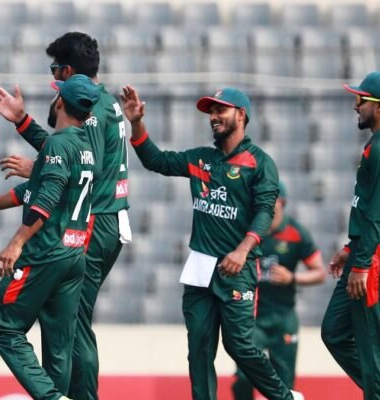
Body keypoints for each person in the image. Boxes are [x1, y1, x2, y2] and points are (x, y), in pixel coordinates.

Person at [121, 85, 303, 400]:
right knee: (199, 350)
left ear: (241, 115)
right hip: (200, 268)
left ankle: (285, 397)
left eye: (221, 110)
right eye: (211, 112)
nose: (214, 117)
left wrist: (242, 250)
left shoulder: (260, 162)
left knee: (240, 346)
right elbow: (156, 161)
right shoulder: (201, 159)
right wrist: (136, 123)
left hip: (237, 269)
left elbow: (265, 212)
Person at [0, 32, 131, 400]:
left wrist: (40, 167)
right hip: (104, 216)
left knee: (72, 327)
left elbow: (82, 163)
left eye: (55, 71)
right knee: (65, 324)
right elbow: (75, 151)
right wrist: (24, 123)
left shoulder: (95, 110)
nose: (53, 78)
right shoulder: (103, 101)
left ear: (68, 71)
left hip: (93, 218)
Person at [0, 74, 98, 400]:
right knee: (59, 346)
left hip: (45, 253)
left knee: (4, 326)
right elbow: (34, 189)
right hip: (73, 254)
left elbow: (46, 198)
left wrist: (16, 242)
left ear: (61, 102)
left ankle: (52, 398)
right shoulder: (86, 147)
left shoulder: (57, 145)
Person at [233, 182, 325, 399]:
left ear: (281, 202)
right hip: (252, 318)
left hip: (283, 317)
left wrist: (292, 278)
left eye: (269, 200)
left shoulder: (296, 233)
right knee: (244, 377)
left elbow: (320, 272)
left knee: (285, 383)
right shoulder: (246, 231)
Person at [321, 72, 380, 400]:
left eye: (361, 100)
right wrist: (350, 248)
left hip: (371, 258)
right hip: (361, 249)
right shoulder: (374, 145)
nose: (356, 106)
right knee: (334, 332)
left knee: (370, 348)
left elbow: (377, 212)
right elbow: (366, 207)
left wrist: (362, 264)